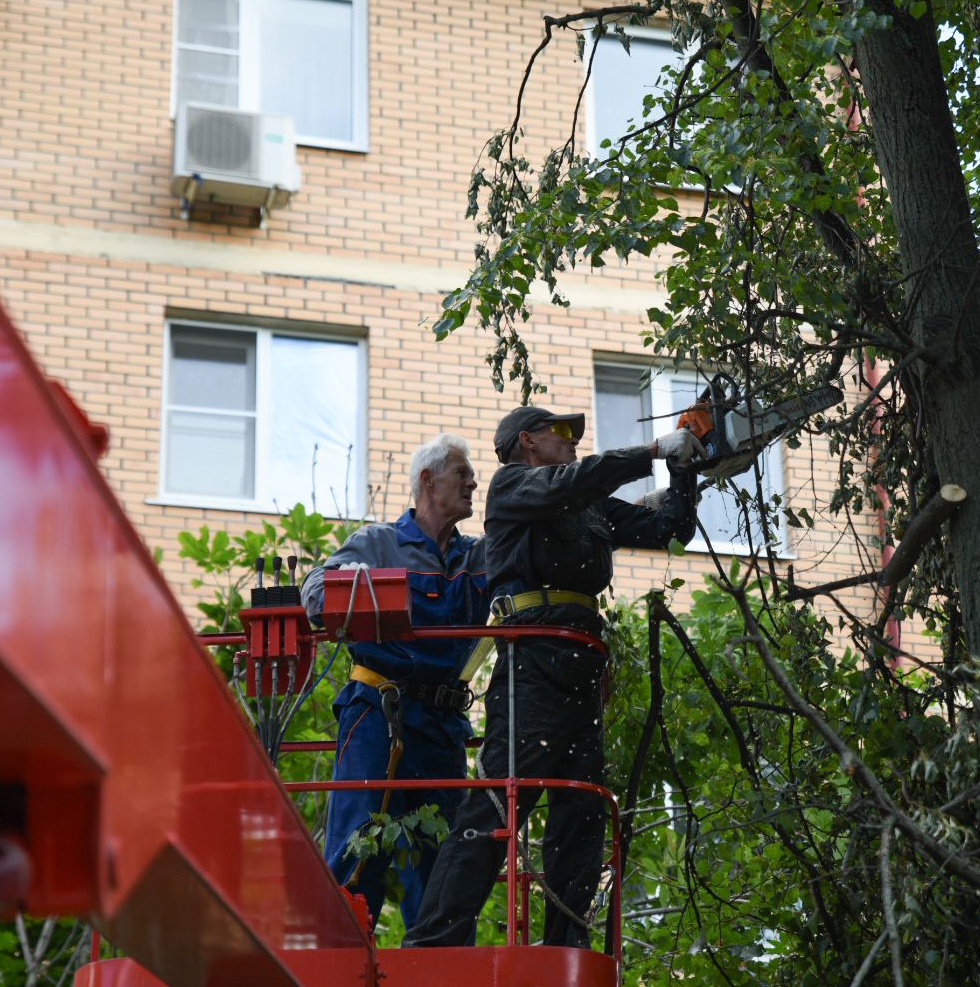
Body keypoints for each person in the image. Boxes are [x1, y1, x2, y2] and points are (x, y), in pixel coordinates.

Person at [403, 406, 703, 949]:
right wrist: (656, 451)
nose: (570, 442)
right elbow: (575, 479)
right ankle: (435, 942)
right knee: (502, 799)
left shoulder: (585, 509)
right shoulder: (513, 486)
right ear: (528, 443)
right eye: (561, 433)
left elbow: (668, 527)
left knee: (580, 809)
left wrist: (689, 468)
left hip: (581, 662)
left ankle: (566, 942)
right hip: (533, 656)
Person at [300, 433, 488, 931]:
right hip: (377, 714)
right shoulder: (378, 543)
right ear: (428, 480)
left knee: (443, 863)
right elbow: (316, 593)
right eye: (461, 472)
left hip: (443, 725)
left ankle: (439, 968)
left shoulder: (477, 557)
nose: (473, 481)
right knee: (358, 848)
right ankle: (342, 961)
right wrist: (352, 582)